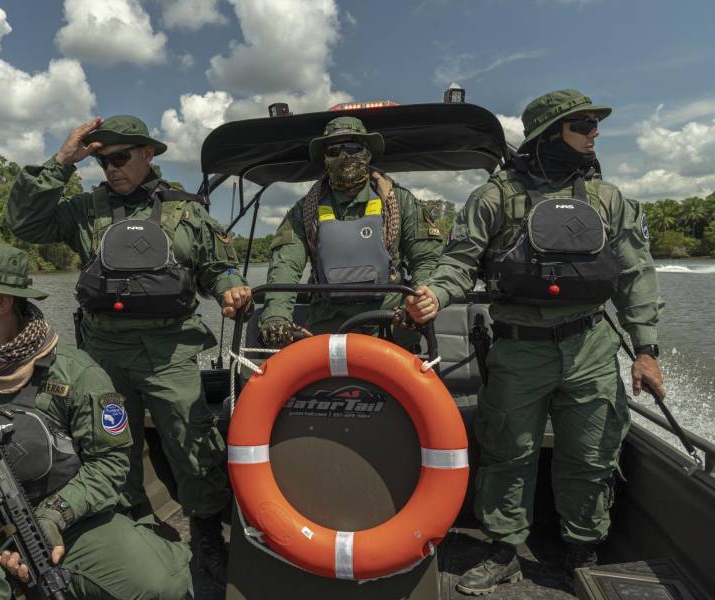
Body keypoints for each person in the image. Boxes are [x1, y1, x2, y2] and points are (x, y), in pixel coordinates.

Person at [406, 90, 665, 594]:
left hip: (589, 344)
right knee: (508, 452)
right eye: (583, 125)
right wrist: (435, 295)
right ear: (550, 134)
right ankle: (504, 549)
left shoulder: (608, 199)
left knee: (591, 454)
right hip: (520, 347)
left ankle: (582, 549)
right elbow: (459, 263)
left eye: (594, 125)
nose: (595, 133)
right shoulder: (494, 197)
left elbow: (636, 273)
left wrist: (646, 350)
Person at [5, 115, 251, 586]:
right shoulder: (85, 210)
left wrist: (232, 288)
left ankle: (205, 534)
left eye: (119, 158)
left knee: (192, 444)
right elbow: (25, 222)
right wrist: (61, 162)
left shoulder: (186, 211)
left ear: (147, 154)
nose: (110, 169)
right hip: (103, 353)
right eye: (102, 161)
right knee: (112, 445)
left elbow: (216, 268)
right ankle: (137, 524)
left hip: (171, 352)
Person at [0, 242, 191, 600]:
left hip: (67, 515)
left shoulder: (77, 374)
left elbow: (110, 463)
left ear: (1, 303)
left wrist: (54, 516)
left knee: (157, 580)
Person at [259, 116, 444, 345]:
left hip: (391, 325)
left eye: (353, 147)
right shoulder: (304, 210)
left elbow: (426, 259)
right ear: (326, 159)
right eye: (335, 150)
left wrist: (418, 302)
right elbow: (285, 265)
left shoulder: (400, 201)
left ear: (367, 153)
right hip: (328, 328)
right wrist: (277, 315)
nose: (345, 156)